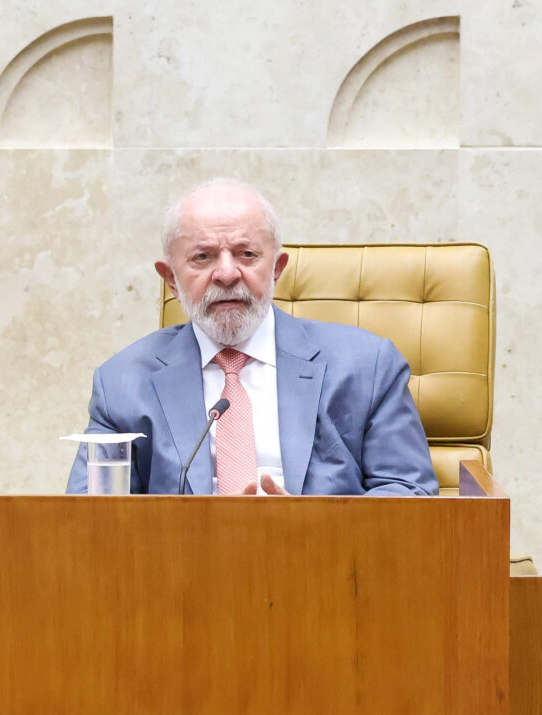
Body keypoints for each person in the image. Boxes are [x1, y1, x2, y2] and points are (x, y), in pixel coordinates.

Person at [65, 178, 435, 496]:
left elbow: (409, 493)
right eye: (202, 257)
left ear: (276, 269)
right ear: (171, 281)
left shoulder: (367, 366)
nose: (227, 274)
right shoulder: (122, 385)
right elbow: (91, 518)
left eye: (246, 254)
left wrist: (313, 528)